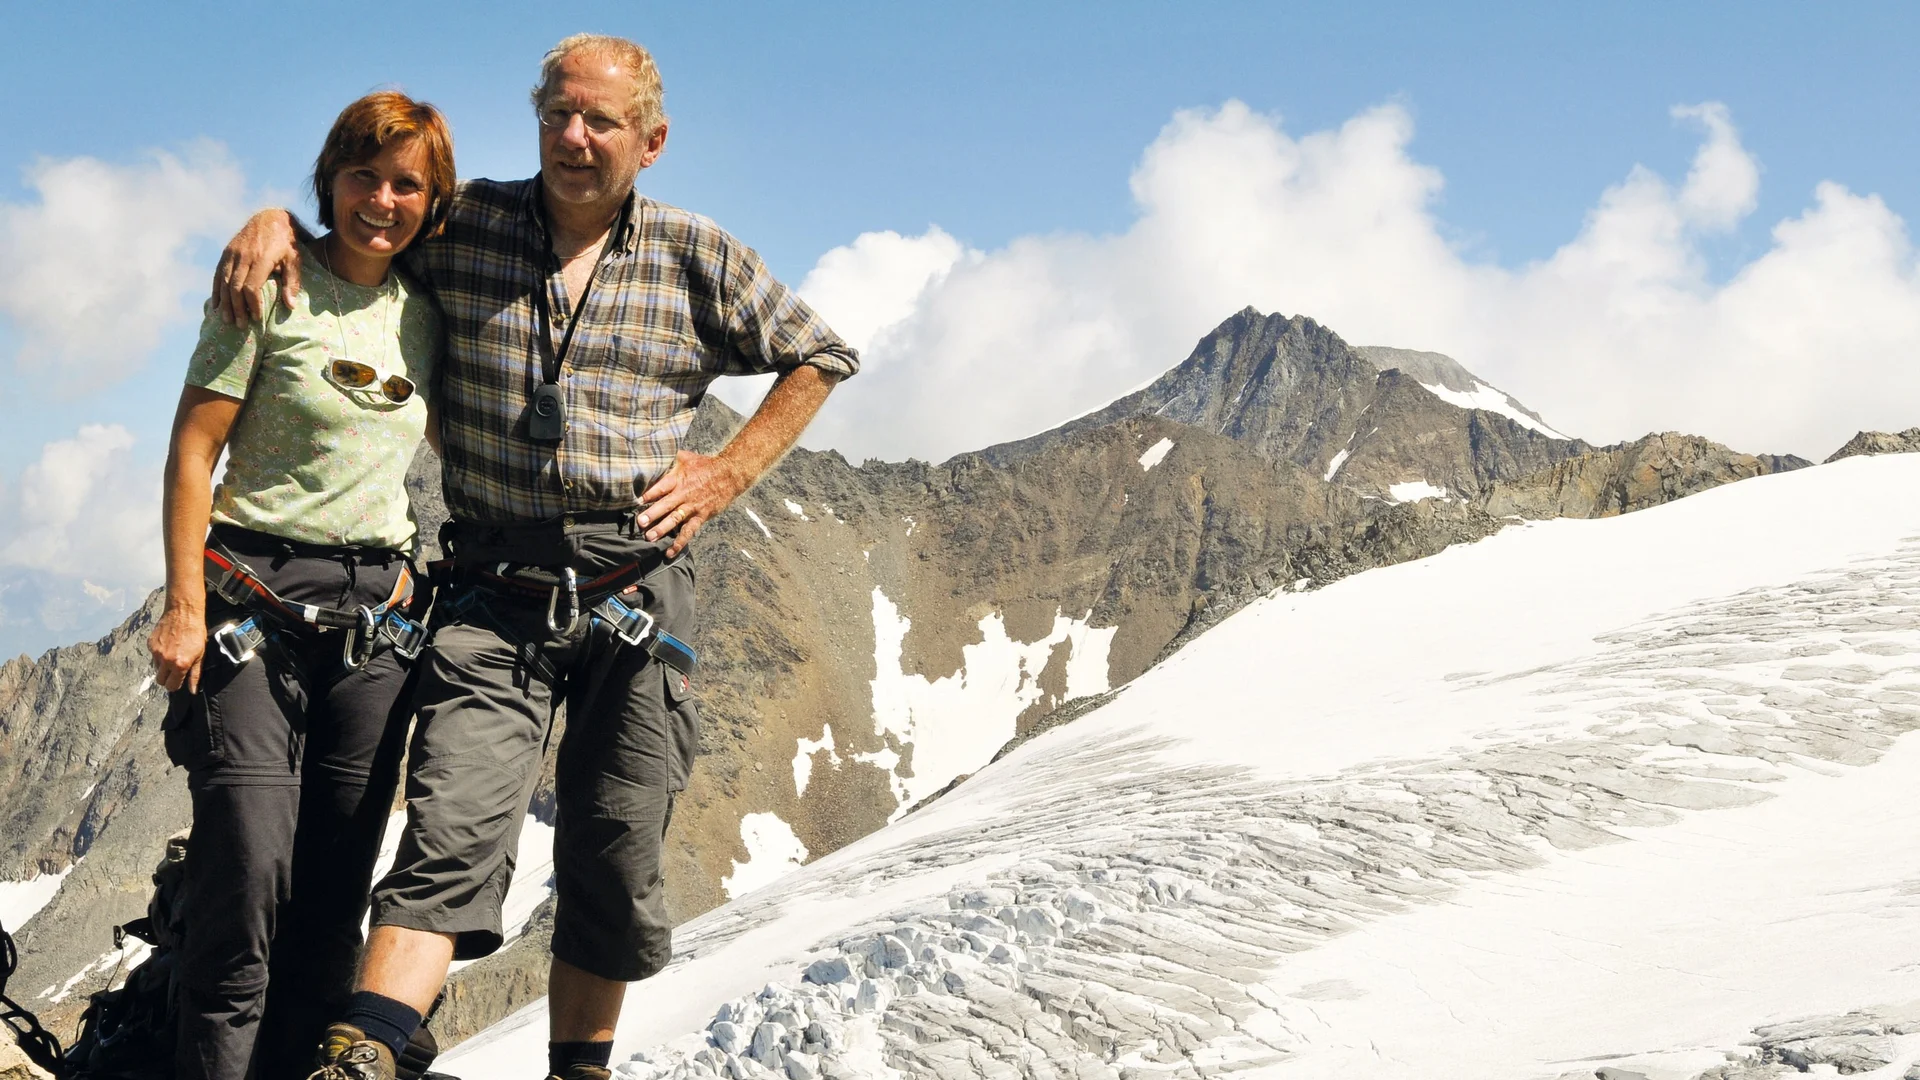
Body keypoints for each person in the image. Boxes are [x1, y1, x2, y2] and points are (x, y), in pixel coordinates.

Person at [212, 34, 858, 1080]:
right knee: (450, 826)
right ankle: (362, 1057)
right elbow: (369, 222)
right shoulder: (465, 228)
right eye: (557, 113)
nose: (572, 137)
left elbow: (819, 353)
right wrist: (276, 220)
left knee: (610, 848)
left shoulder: (699, 253)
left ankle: (577, 1073)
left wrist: (728, 472)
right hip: (489, 592)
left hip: (634, 587)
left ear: (650, 140)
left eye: (600, 120)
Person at [150, 91, 456, 1080]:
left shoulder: (430, 312)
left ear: (432, 200)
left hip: (376, 620)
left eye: (407, 183)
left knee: (332, 890)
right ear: (328, 179)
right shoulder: (267, 286)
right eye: (363, 175)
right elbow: (195, 452)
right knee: (245, 867)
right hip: (251, 598)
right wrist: (185, 605)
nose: (382, 199)